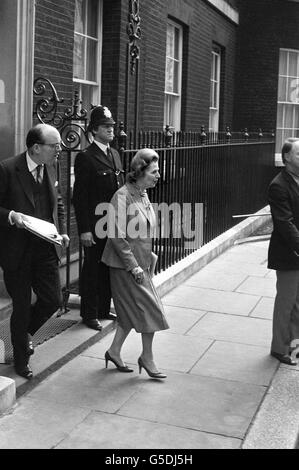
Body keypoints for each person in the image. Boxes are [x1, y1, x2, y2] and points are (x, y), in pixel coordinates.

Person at [0, 123, 70, 379]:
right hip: (17, 251)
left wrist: (61, 231)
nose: (59, 150)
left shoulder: (52, 166)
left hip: (45, 249)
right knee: (21, 305)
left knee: (52, 299)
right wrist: (10, 215)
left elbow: (58, 202)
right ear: (36, 147)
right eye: (55, 145)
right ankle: (20, 357)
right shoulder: (7, 169)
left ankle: (23, 334)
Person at [102, 148, 169, 379]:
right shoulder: (123, 196)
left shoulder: (142, 192)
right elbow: (116, 235)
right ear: (140, 171)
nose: (158, 175)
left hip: (141, 262)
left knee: (130, 312)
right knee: (150, 309)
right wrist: (134, 266)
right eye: (154, 171)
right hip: (125, 266)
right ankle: (147, 358)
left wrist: (149, 255)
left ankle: (114, 351)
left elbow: (143, 228)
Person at [72, 105, 124, 331]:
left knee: (108, 267)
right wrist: (84, 229)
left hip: (112, 223)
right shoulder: (85, 158)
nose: (111, 130)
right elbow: (80, 198)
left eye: (112, 126)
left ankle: (103, 308)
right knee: (92, 268)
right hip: (94, 224)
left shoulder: (114, 154)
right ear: (94, 130)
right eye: (106, 126)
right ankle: (89, 313)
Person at [268, 137, 299, 366]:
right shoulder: (278, 185)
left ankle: (294, 344)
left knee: (298, 303)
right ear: (287, 157)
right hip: (289, 253)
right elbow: (284, 223)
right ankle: (279, 348)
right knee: (286, 302)